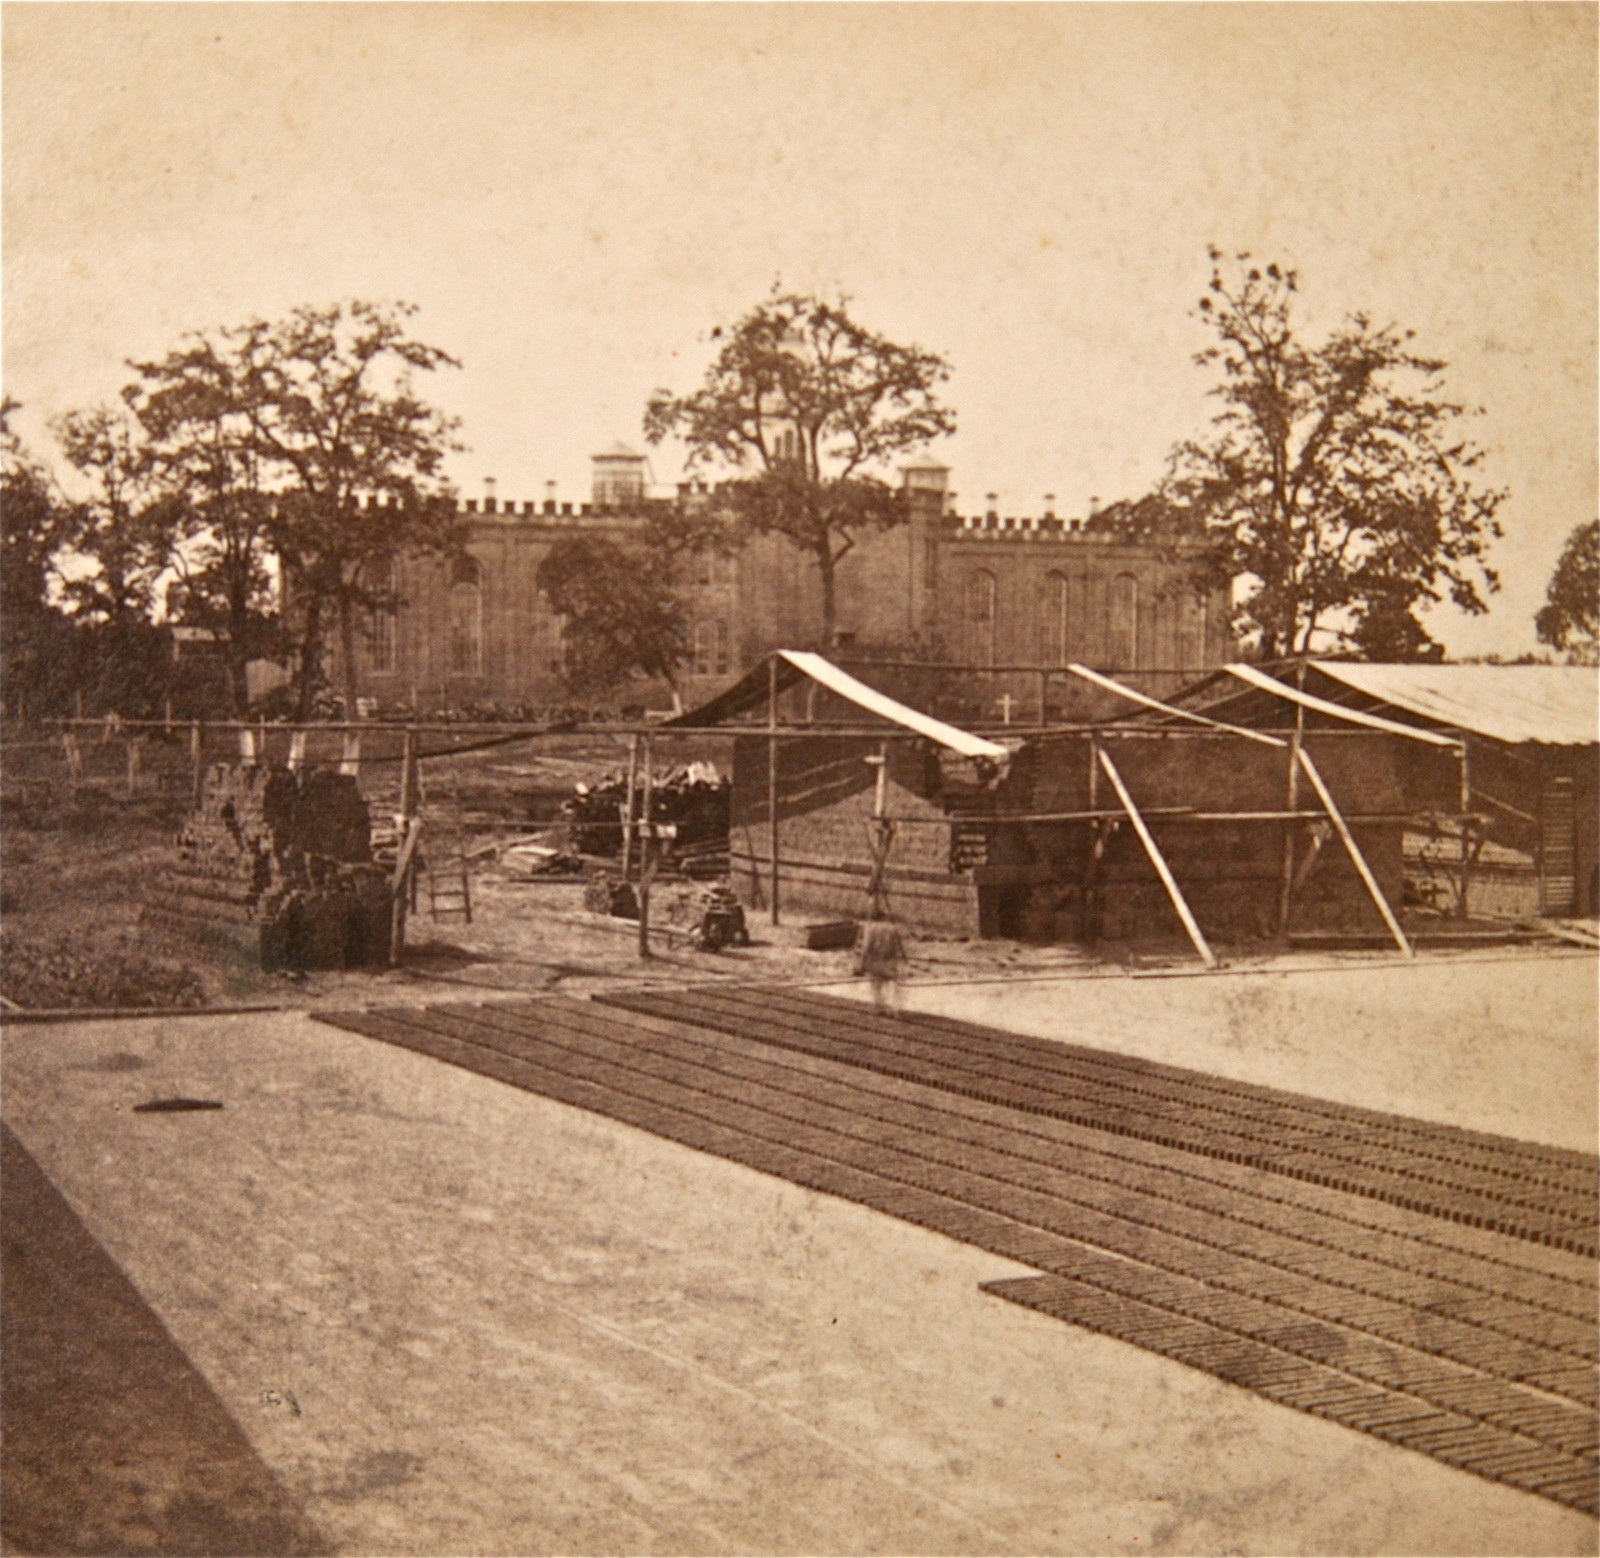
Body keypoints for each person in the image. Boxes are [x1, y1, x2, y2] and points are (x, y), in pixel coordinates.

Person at [855, 917, 907, 1016]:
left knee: (875, 986)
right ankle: (892, 1009)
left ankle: (878, 1008)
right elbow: (897, 947)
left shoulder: (871, 929)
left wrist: (861, 965)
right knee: (891, 985)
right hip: (889, 961)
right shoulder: (893, 929)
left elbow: (866, 947)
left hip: (875, 961)